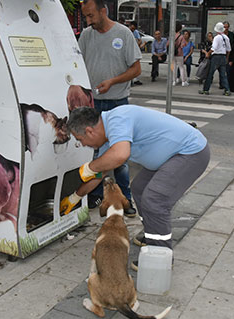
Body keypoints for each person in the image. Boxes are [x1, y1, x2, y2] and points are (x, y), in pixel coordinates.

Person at [61, 106, 210, 269]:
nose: (82, 145)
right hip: (169, 157)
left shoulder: (117, 119)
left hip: (190, 152)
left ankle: (160, 257)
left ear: (89, 131)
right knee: (139, 188)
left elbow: (119, 155)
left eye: (80, 139)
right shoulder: (107, 137)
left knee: (155, 199)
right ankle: (153, 233)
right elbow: (99, 175)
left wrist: (89, 167)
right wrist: (75, 197)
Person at [78, 0, 142, 215]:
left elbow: (136, 69)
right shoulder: (87, 35)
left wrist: (112, 82)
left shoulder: (124, 34)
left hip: (117, 103)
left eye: (90, 16)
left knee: (120, 156)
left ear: (103, 11)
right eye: (85, 17)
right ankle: (96, 196)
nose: (88, 21)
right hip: (94, 103)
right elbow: (77, 63)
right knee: (96, 154)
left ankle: (126, 198)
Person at [199, 22, 231, 96]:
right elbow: (229, 50)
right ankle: (227, 90)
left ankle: (206, 89)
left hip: (216, 57)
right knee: (223, 75)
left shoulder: (217, 37)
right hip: (223, 57)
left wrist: (208, 54)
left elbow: (213, 48)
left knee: (210, 73)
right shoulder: (226, 37)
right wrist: (227, 58)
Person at [173, 21, 189, 86]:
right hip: (179, 53)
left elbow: (167, 44)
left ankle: (173, 81)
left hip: (172, 54)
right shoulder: (181, 37)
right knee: (181, 67)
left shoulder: (172, 35)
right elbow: (183, 45)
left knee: (173, 67)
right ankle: (183, 81)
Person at [129, 21, 144, 85]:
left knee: (135, 65)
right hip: (128, 50)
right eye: (132, 28)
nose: (133, 30)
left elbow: (140, 40)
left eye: (134, 29)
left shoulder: (135, 32)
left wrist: (136, 45)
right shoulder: (126, 31)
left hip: (134, 50)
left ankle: (135, 79)